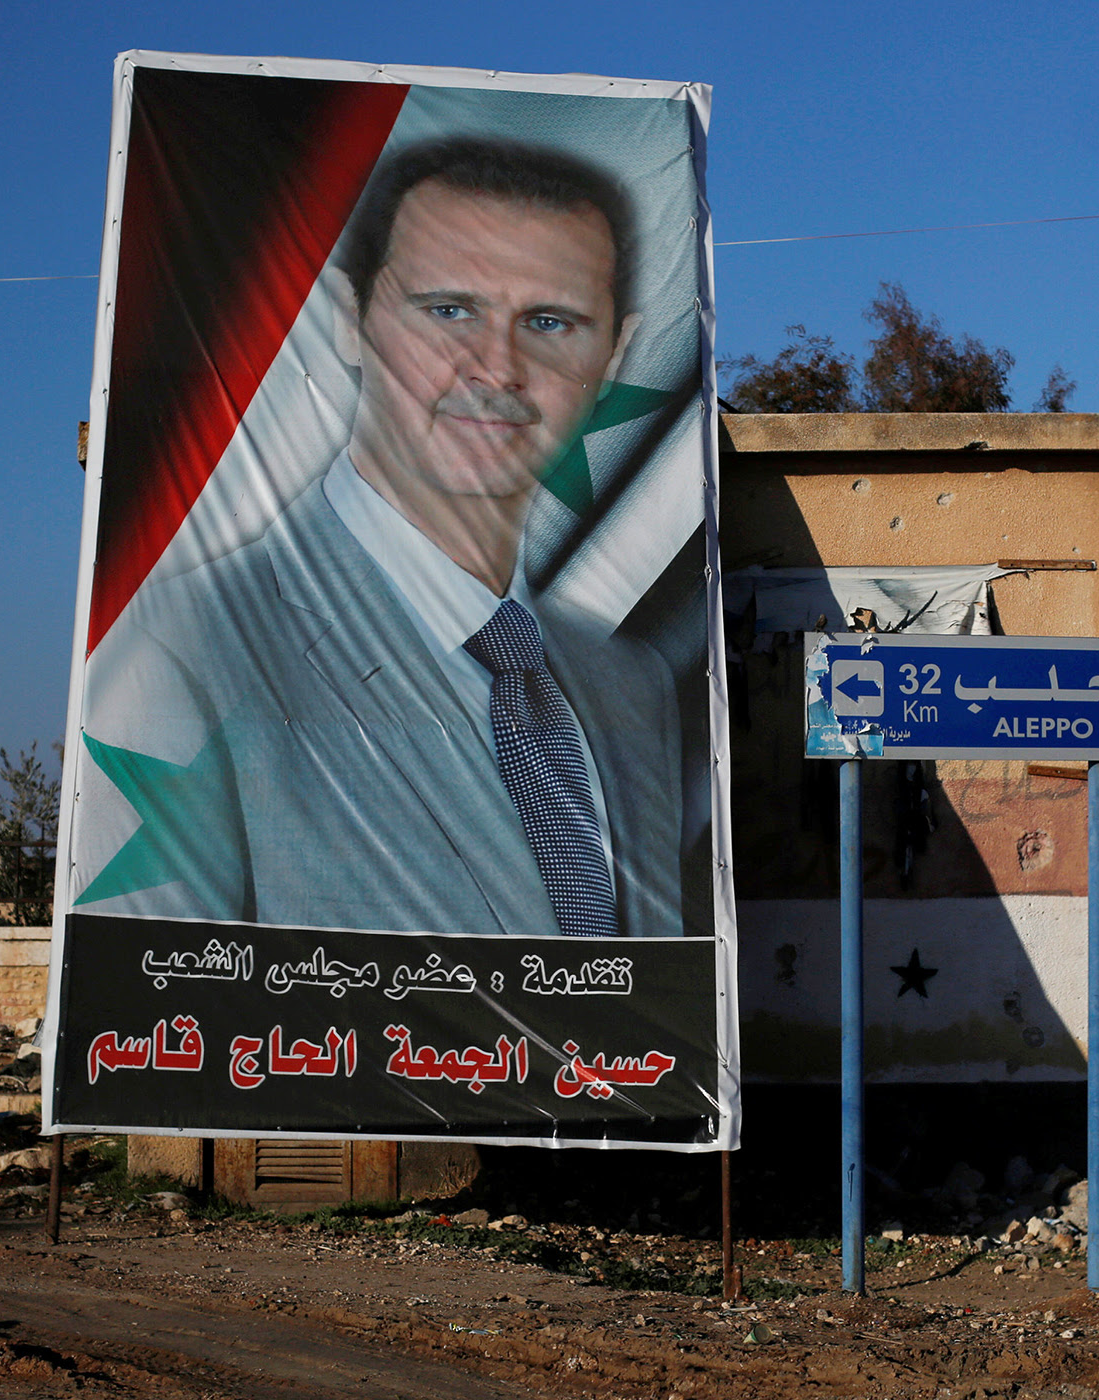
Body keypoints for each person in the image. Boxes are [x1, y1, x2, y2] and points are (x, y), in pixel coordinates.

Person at [76, 137, 685, 938]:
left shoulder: (631, 686)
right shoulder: (180, 654)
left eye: (549, 321)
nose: (496, 368)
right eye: (449, 310)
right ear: (348, 320)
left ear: (612, 359)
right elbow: (154, 1010)